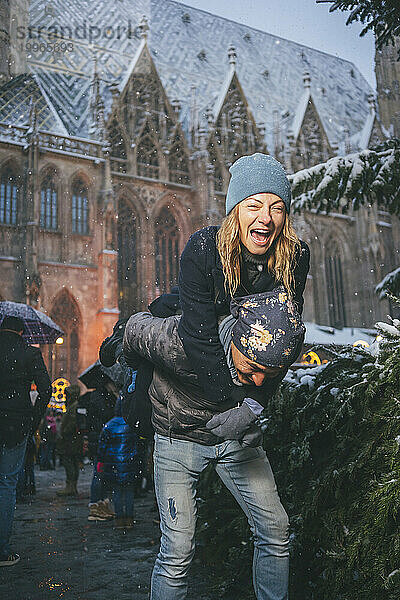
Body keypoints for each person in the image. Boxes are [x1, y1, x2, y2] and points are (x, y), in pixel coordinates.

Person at [124, 287, 305, 600]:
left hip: (232, 441)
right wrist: (136, 368)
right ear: (234, 342)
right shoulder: (177, 341)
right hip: (177, 440)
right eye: (253, 369)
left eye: (270, 373)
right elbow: (132, 330)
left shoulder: (278, 346)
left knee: (275, 529)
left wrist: (250, 413)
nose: (261, 380)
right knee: (177, 551)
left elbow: (262, 383)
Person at [178, 152, 310, 408]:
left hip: (239, 375)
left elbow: (284, 340)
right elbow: (198, 336)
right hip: (184, 325)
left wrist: (253, 406)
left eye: (277, 208)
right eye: (254, 205)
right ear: (235, 211)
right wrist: (231, 401)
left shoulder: (295, 255)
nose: (266, 218)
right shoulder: (204, 247)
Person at [0, 315, 52, 566]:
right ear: (22, 332)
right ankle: (2, 550)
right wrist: (33, 421)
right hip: (16, 425)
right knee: (7, 485)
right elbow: (46, 390)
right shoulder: (29, 354)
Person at [97, 397, 139, 530]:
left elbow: (102, 447)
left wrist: (101, 461)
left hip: (113, 465)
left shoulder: (109, 425)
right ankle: (129, 519)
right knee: (129, 492)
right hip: (129, 464)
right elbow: (137, 445)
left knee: (117, 492)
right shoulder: (131, 424)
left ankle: (120, 519)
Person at [56, 385, 83, 497]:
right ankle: (72, 486)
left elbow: (71, 423)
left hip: (70, 440)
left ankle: (70, 486)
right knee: (73, 462)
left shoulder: (74, 406)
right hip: (73, 440)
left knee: (69, 462)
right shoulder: (74, 405)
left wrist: (64, 433)